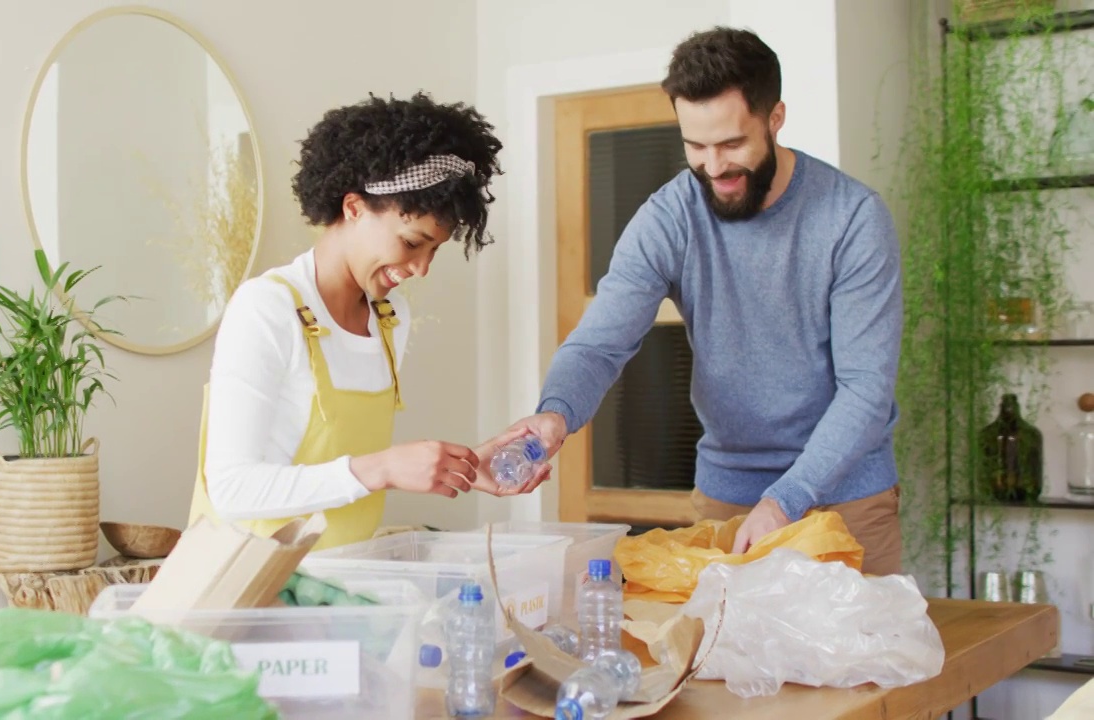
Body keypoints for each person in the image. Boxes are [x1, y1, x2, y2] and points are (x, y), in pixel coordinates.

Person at [497, 27, 905, 575]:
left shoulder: (851, 218)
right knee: (722, 661)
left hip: (847, 496)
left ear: (775, 118)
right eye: (695, 146)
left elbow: (866, 389)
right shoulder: (670, 217)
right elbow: (599, 345)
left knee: (858, 660)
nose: (713, 167)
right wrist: (554, 415)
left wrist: (788, 498)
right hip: (728, 494)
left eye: (732, 144)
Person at [188, 92, 533, 550]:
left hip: (336, 582)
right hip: (251, 588)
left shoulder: (390, 318)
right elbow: (231, 489)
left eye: (434, 251)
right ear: (353, 208)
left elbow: (343, 474)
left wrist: (462, 467)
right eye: (412, 243)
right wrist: (382, 468)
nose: (420, 268)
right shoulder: (268, 309)